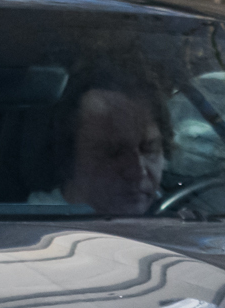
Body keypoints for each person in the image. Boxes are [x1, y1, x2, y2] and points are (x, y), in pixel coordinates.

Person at [26, 69, 169, 214]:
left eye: (149, 149)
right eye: (113, 152)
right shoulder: (32, 227)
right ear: (69, 159)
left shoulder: (175, 210)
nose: (138, 172)